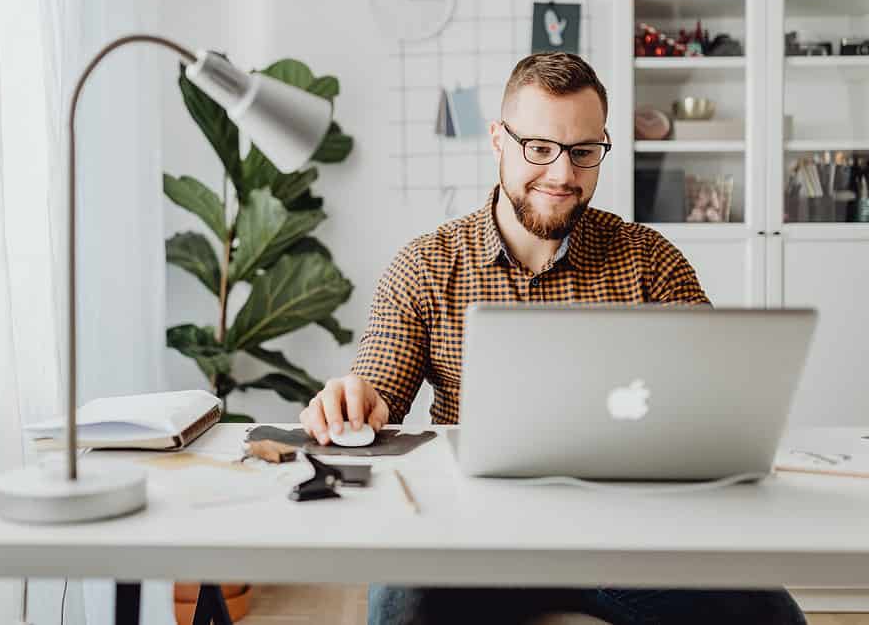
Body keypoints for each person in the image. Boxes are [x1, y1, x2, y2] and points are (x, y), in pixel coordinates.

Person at [299, 52, 806, 625]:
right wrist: (355, 401)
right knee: (401, 609)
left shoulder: (650, 262)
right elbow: (377, 388)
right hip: (473, 538)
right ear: (498, 140)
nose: (563, 174)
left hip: (632, 537)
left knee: (771, 616)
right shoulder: (426, 264)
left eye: (584, 152)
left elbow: (717, 404)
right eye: (539, 148)